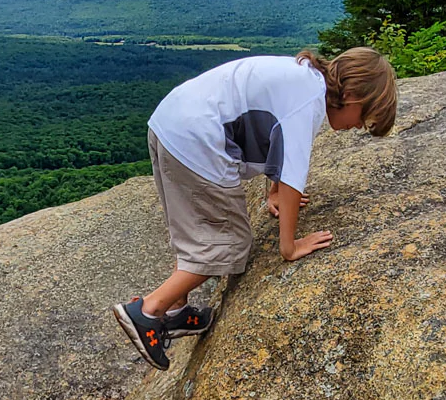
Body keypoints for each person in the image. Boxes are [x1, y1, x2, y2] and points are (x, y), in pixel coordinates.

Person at [113, 47, 398, 369]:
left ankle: (176, 311)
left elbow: (273, 139)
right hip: (198, 138)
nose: (358, 126)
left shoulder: (304, 80)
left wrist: (272, 192)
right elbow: (293, 175)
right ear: (351, 94)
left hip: (172, 123)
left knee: (196, 228)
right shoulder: (310, 100)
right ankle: (148, 311)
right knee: (229, 244)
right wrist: (289, 246)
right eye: (363, 117)